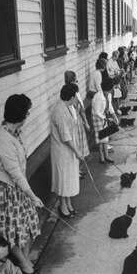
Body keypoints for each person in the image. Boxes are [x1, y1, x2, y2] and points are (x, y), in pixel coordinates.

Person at [0, 94, 43, 274]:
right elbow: (14, 172)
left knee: (30, 224)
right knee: (13, 230)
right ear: (20, 114)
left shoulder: (15, 133)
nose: (29, 114)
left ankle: (25, 259)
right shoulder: (2, 139)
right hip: (7, 191)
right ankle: (25, 265)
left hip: (19, 187)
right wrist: (32, 195)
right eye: (27, 111)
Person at [50, 82, 83, 218]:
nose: (77, 98)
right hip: (62, 151)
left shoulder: (67, 107)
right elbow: (66, 136)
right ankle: (62, 206)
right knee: (63, 179)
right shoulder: (59, 111)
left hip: (68, 150)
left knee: (69, 178)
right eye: (76, 96)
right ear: (71, 96)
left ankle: (68, 203)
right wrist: (78, 152)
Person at [64, 70, 90, 179]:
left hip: (78, 122)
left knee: (80, 147)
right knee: (76, 147)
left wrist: (86, 122)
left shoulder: (77, 93)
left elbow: (81, 109)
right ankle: (76, 171)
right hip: (72, 124)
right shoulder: (67, 95)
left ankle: (78, 169)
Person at [91, 79, 118, 164]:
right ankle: (101, 157)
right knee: (101, 138)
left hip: (103, 116)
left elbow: (109, 106)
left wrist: (114, 117)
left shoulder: (108, 95)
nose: (112, 90)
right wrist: (105, 118)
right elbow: (96, 112)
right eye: (111, 88)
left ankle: (106, 156)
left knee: (105, 137)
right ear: (107, 88)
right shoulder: (98, 97)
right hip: (97, 118)